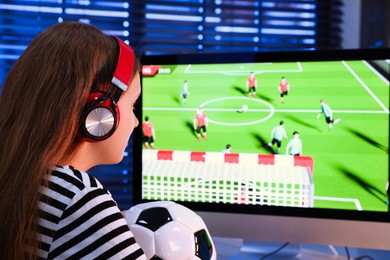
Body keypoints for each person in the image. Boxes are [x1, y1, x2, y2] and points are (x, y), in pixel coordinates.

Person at [0, 22, 146, 259]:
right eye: (132, 105)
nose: (136, 122)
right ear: (101, 113)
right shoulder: (79, 198)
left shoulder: (21, 177)